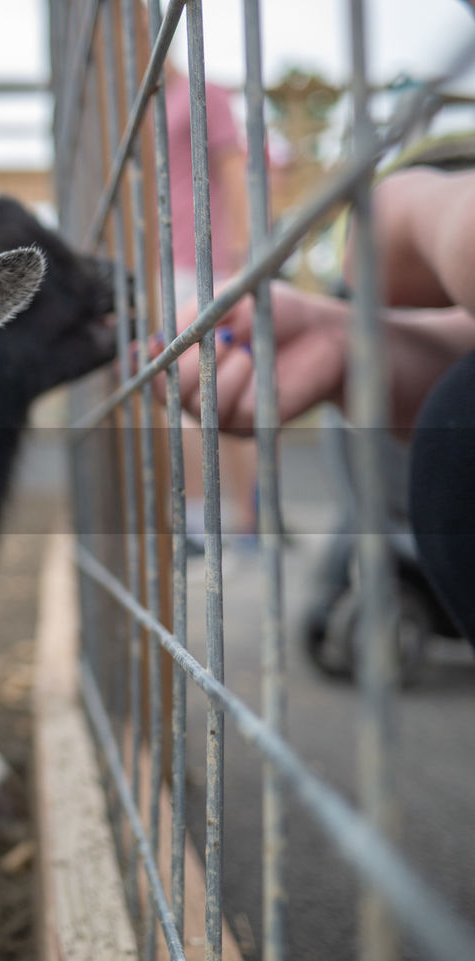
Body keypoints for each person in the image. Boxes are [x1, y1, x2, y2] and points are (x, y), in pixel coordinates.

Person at [153, 166, 475, 647]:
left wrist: (413, 204)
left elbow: (373, 257)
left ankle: (252, 521)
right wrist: (344, 341)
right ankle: (228, 522)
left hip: (208, 259)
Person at [164, 62, 259, 543]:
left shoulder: (205, 93)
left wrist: (242, 259)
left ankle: (252, 515)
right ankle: (203, 520)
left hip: (211, 267)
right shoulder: (151, 105)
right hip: (170, 269)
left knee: (227, 389)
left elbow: (232, 169)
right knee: (187, 399)